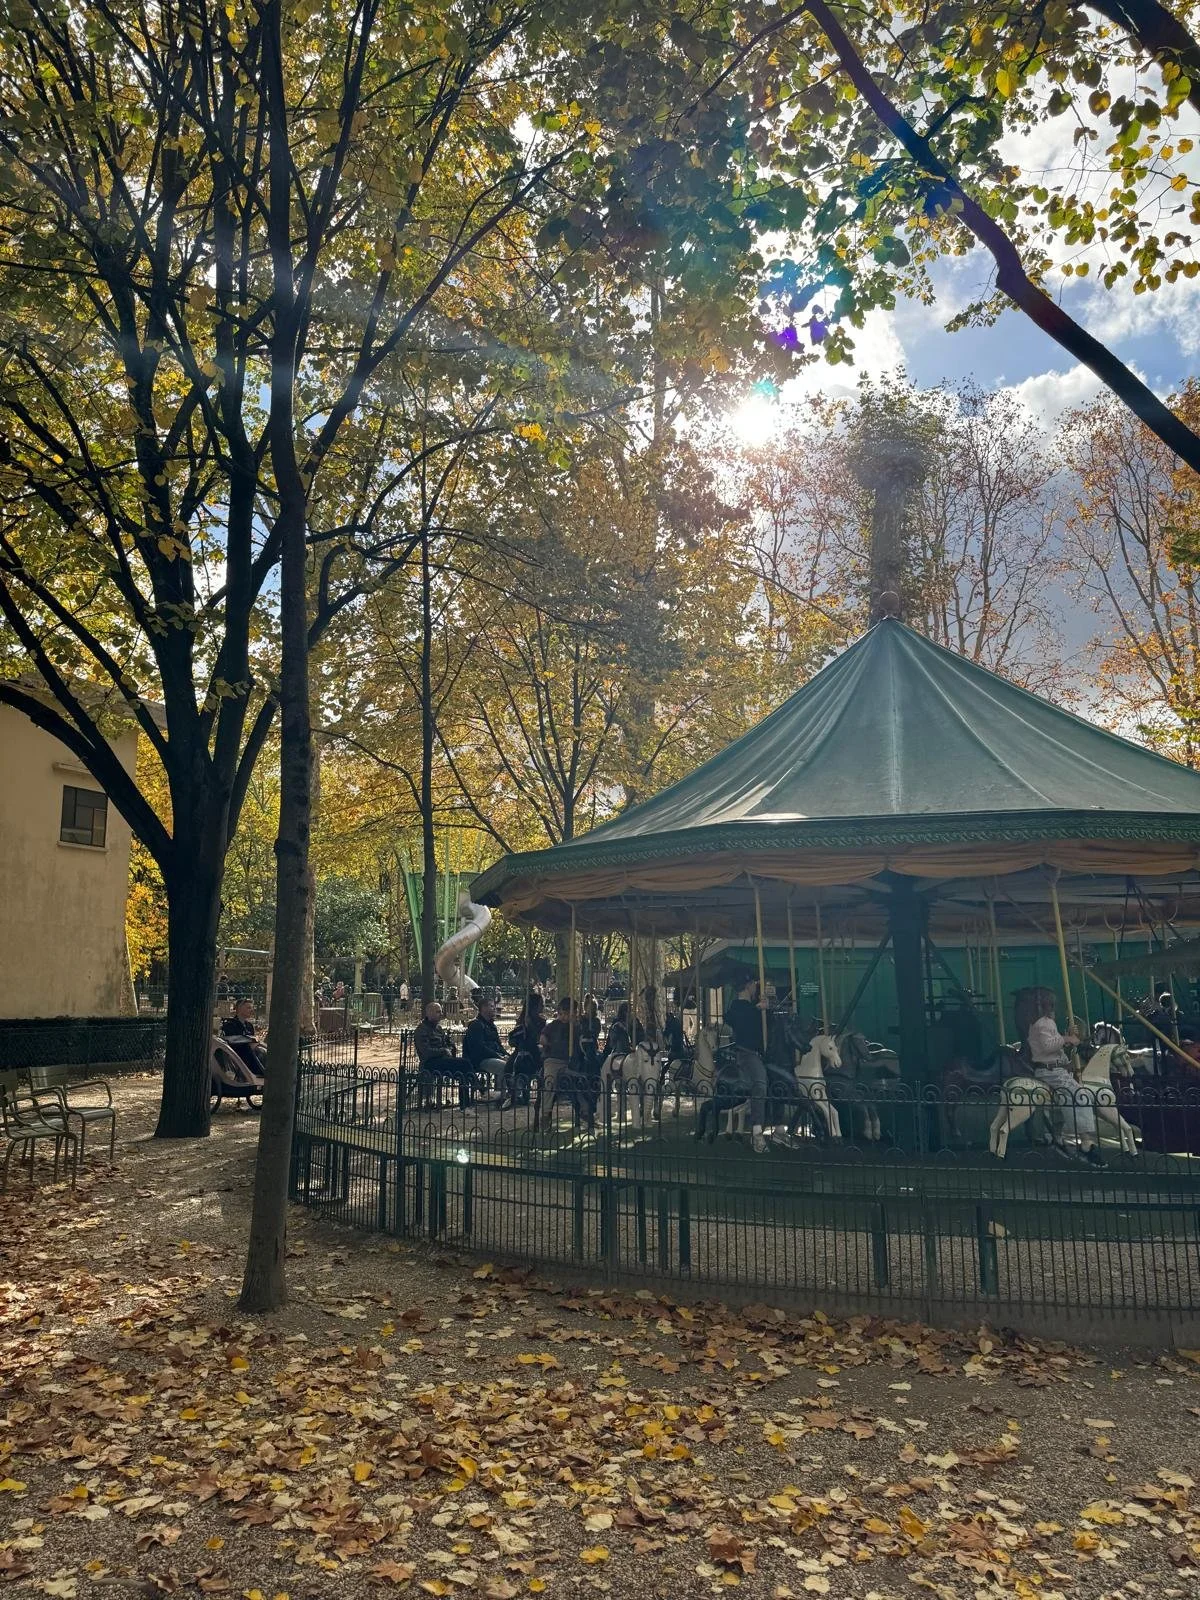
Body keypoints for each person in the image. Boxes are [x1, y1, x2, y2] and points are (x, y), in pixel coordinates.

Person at [1025, 986, 1102, 1165]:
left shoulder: (1045, 1023)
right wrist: (1067, 1039)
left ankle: (1056, 1137)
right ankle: (1085, 1144)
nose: (1054, 1009)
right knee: (1079, 1095)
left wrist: (1066, 1038)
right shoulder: (1043, 1023)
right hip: (1049, 1071)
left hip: (1055, 1068)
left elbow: (1052, 1045)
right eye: (1051, 1005)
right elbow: (1046, 1046)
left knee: (1067, 1098)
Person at [724, 976, 771, 1153]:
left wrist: (765, 1009)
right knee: (760, 1084)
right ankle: (757, 1132)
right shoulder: (738, 1007)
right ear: (747, 986)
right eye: (754, 985)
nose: (756, 988)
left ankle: (780, 1126)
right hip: (747, 1054)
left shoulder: (751, 1007)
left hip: (760, 1053)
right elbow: (738, 1021)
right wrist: (757, 1009)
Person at [414, 1001, 468, 1107]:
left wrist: (449, 1048)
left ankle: (466, 1103)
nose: (441, 1014)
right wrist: (443, 1051)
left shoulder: (438, 1028)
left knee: (464, 1068)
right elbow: (426, 1052)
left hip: (443, 1060)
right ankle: (480, 1090)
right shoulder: (421, 1030)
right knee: (464, 1064)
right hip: (429, 1063)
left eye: (441, 1011)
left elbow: (448, 1043)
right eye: (438, 1012)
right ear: (429, 1013)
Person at [537, 996, 575, 1131]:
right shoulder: (553, 1026)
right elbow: (542, 1038)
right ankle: (546, 1114)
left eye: (567, 1014)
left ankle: (586, 1112)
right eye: (562, 1014)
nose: (564, 1017)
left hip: (571, 1061)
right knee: (549, 1082)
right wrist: (550, 1043)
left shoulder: (576, 1026)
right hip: (554, 1060)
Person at [464, 993, 507, 1099]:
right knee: (504, 1066)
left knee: (512, 1062)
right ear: (483, 1008)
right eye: (492, 1006)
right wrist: (499, 1056)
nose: (494, 1009)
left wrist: (506, 1054)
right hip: (481, 1060)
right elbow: (480, 1048)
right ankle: (501, 1096)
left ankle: (512, 1093)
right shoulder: (476, 1025)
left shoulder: (492, 1026)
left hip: (494, 1056)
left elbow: (499, 1044)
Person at [221, 997, 268, 1076]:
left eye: (252, 1008)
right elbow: (231, 1042)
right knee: (257, 1051)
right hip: (237, 1055)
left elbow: (253, 1040)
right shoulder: (230, 1024)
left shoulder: (249, 1025)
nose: (252, 1010)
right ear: (239, 1009)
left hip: (251, 1052)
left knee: (263, 1050)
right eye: (248, 1008)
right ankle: (260, 1073)